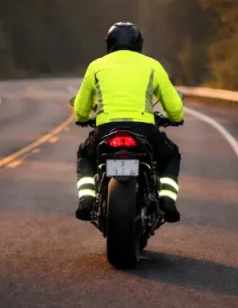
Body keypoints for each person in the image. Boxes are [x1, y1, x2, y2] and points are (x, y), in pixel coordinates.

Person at [74, 22, 184, 223]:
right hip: (144, 130)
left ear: (109, 44)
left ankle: (87, 199)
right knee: (170, 155)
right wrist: (175, 119)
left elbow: (81, 110)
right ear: (139, 44)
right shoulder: (153, 66)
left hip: (106, 128)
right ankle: (167, 199)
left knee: (85, 154)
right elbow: (175, 108)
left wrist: (83, 118)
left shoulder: (96, 66)